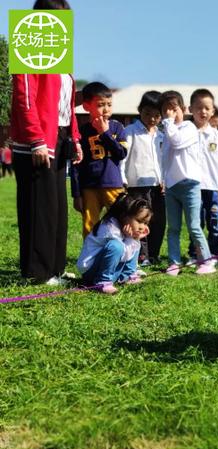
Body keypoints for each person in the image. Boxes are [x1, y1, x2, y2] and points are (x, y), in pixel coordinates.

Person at [10, 0, 82, 285]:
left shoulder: (59, 56)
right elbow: (24, 99)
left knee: (57, 208)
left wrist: (74, 138)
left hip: (60, 136)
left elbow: (66, 104)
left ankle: (56, 267)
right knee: (39, 207)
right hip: (37, 141)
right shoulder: (29, 47)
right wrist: (37, 139)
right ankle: (38, 272)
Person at [160, 90, 215, 276]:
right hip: (172, 186)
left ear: (183, 109)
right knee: (173, 228)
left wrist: (168, 121)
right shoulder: (167, 131)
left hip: (190, 184)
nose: (170, 114)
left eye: (173, 109)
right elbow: (165, 159)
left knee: (193, 226)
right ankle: (174, 263)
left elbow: (176, 142)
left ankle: (206, 261)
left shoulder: (189, 128)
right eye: (166, 110)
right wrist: (163, 179)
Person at [70, 82, 127, 237]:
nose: (106, 109)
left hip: (113, 184)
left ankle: (121, 255)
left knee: (121, 220)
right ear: (87, 106)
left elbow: (121, 153)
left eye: (109, 104)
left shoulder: (117, 127)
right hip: (89, 187)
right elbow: (75, 166)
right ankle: (90, 258)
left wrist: (105, 133)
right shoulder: (82, 132)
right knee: (90, 224)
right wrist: (76, 194)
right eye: (101, 105)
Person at [121, 90, 166, 266]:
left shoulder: (162, 135)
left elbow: (165, 161)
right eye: (148, 113)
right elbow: (122, 158)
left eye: (157, 115)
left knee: (158, 221)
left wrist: (165, 180)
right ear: (140, 110)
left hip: (158, 186)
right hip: (136, 186)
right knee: (140, 221)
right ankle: (141, 255)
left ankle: (154, 254)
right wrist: (122, 180)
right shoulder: (130, 132)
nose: (152, 118)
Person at [77, 193, 151, 294]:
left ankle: (128, 276)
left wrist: (134, 239)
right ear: (124, 215)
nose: (142, 227)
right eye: (139, 221)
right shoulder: (109, 228)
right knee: (116, 246)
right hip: (91, 273)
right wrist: (131, 238)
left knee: (133, 243)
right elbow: (123, 255)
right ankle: (102, 281)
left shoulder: (123, 226)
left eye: (145, 223)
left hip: (104, 268)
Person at [187, 89, 218, 261]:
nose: (203, 111)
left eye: (207, 108)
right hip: (193, 185)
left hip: (212, 186)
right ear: (190, 109)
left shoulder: (216, 135)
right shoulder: (186, 132)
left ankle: (213, 250)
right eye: (199, 107)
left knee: (214, 220)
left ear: (212, 111)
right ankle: (195, 253)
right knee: (197, 221)